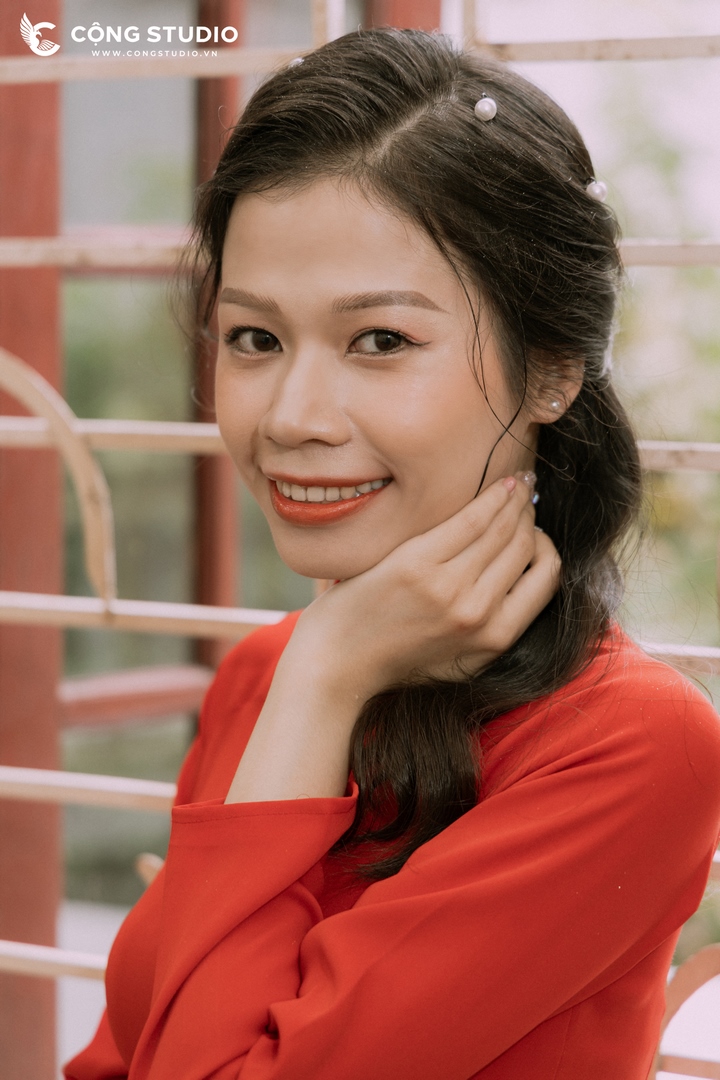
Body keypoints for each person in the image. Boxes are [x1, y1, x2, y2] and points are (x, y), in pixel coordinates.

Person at [64, 27, 720, 1080]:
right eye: (255, 338)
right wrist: (321, 675)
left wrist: (324, 673)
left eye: (380, 341)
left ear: (552, 370)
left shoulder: (629, 746)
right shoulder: (269, 678)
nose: (292, 416)